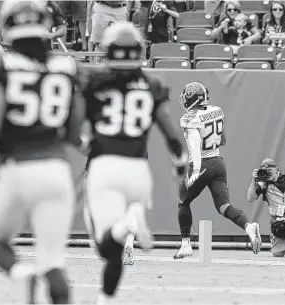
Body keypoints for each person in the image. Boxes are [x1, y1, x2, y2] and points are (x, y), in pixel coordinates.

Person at [0, 1, 84, 303]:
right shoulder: (68, 67)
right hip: (56, 170)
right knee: (53, 262)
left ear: (7, 27)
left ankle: (22, 275)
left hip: (16, 168)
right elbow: (74, 132)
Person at [81, 21, 188, 304]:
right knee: (115, 250)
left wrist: (80, 141)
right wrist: (180, 164)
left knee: (105, 247)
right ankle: (106, 299)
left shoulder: (93, 82)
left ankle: (126, 223)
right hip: (138, 170)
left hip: (104, 167)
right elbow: (173, 136)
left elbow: (76, 127)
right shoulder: (151, 85)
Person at [173, 81, 262, 260]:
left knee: (183, 201)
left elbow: (195, 147)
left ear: (191, 99)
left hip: (202, 164)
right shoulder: (216, 110)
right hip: (218, 163)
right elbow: (223, 140)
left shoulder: (190, 120)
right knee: (224, 206)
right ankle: (248, 226)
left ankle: (185, 245)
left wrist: (196, 171)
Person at [247, 159, 285, 257]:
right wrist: (254, 180)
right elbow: (250, 198)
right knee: (277, 254)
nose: (268, 174)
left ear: (276, 170)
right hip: (282, 221)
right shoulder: (263, 184)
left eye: (269, 171)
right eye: (265, 171)